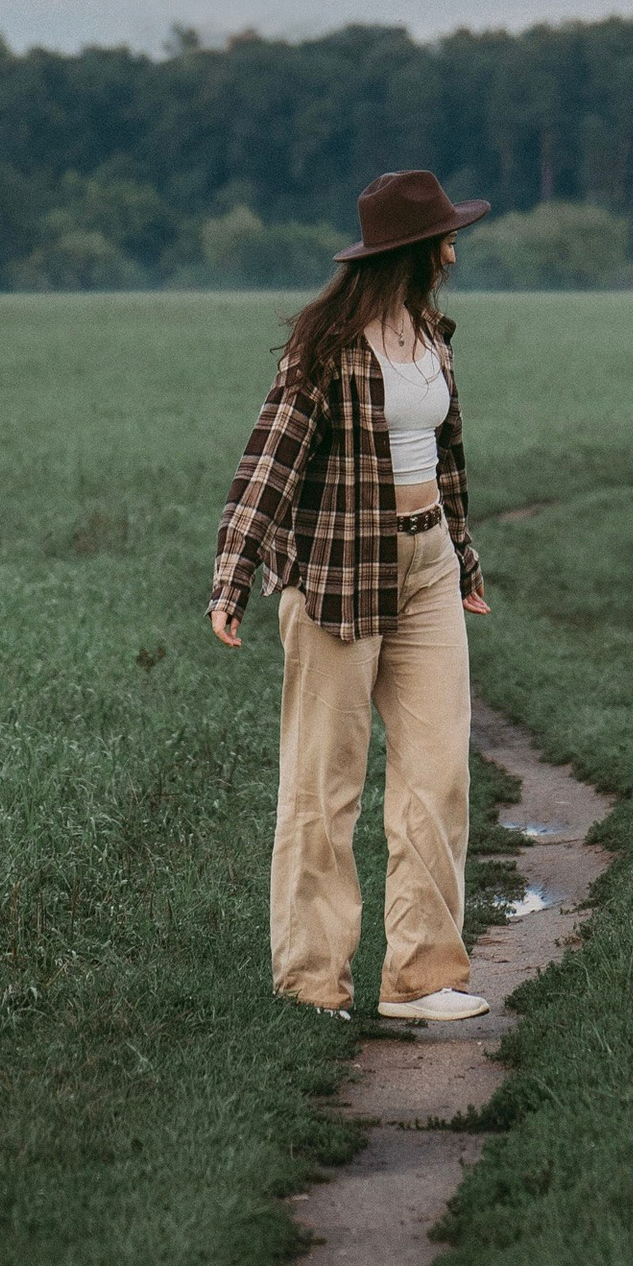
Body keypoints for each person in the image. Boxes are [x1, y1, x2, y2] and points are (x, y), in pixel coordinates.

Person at [209, 167, 495, 1023]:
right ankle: (310, 982)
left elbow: (444, 464)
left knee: (438, 776)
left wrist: (465, 561)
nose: (454, 246)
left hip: (427, 569)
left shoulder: (433, 335)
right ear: (413, 251)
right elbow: (269, 464)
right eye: (445, 236)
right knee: (322, 786)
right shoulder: (326, 348)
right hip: (337, 579)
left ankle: (422, 978)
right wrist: (234, 577)